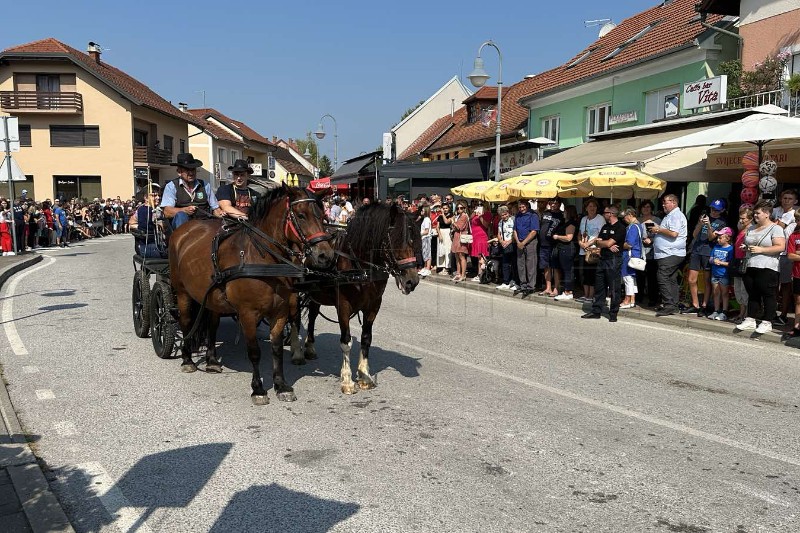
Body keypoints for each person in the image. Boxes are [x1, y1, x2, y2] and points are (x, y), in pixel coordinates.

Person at [736, 200, 785, 334]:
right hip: (750, 264)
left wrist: (761, 250)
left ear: (767, 214)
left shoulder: (776, 228)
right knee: (752, 293)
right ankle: (750, 319)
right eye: (755, 213)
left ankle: (767, 321)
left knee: (768, 294)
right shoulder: (751, 228)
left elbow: (780, 247)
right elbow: (751, 244)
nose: (755, 216)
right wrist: (746, 247)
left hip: (767, 266)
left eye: (758, 213)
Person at [582, 206, 625, 322]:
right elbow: (598, 241)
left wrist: (606, 244)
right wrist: (605, 244)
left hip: (614, 260)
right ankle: (596, 311)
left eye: (605, 213)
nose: (603, 215)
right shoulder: (605, 227)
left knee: (614, 287)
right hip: (602, 259)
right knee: (599, 286)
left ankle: (613, 313)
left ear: (610, 214)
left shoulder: (620, 227)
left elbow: (607, 243)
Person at [684, 198, 727, 316]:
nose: (713, 211)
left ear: (722, 210)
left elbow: (711, 237)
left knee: (707, 281)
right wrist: (700, 223)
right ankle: (695, 304)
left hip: (708, 251)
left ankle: (704, 305)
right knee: (691, 279)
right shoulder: (704, 216)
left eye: (717, 210)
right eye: (712, 209)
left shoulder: (722, 222)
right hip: (697, 250)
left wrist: (708, 226)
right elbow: (694, 234)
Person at [160, 153, 222, 229]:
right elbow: (167, 212)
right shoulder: (171, 186)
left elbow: (215, 208)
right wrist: (184, 210)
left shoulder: (205, 185)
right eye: (187, 170)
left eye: (193, 169)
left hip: (204, 225)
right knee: (181, 215)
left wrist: (222, 214)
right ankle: (183, 240)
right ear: (179, 172)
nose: (191, 173)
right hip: (181, 227)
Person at [650, 194, 688, 317]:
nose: (663, 205)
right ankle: (673, 305)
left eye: (665, 202)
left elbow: (674, 233)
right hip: (668, 253)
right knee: (671, 279)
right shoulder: (670, 215)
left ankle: (669, 304)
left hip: (671, 252)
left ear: (673, 202)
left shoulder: (676, 216)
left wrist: (658, 230)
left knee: (662, 276)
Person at [772, 189, 797, 326]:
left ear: (795, 201)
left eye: (790, 198)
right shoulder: (776, 210)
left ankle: (784, 314)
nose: (787, 200)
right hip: (774, 251)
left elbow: (778, 226)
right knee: (774, 284)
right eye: (785, 198)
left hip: (787, 253)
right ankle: (772, 312)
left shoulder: (795, 212)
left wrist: (777, 222)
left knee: (786, 285)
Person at [577, 199, 603, 303]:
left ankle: (591, 295)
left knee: (592, 273)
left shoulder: (600, 219)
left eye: (594, 206)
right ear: (586, 208)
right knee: (583, 273)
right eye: (590, 206)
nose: (592, 208)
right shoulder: (584, 219)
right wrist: (580, 243)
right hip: (583, 250)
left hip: (593, 250)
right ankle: (586, 293)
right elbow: (580, 232)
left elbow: (600, 235)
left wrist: (588, 243)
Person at [732, 207, 754, 324]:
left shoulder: (751, 230)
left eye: (743, 218)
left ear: (750, 219)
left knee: (745, 289)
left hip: (745, 261)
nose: (741, 220)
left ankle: (746, 314)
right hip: (737, 261)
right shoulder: (742, 229)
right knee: (738, 289)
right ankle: (741, 313)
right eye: (740, 218)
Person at [638, 200, 661, 307]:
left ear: (651, 208)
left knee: (652, 277)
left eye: (648, 207)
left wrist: (651, 240)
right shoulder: (637, 220)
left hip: (652, 252)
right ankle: (639, 297)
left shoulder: (657, 220)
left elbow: (661, 235)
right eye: (644, 207)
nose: (646, 209)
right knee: (640, 276)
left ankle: (653, 298)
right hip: (640, 251)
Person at [539, 198, 564, 296]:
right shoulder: (545, 213)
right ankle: (548, 288)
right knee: (546, 267)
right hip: (543, 244)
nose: (553, 205)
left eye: (555, 203)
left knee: (556, 267)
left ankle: (556, 288)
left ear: (559, 204)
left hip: (555, 244)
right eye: (551, 203)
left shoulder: (561, 215)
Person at [130, 192, 167, 258]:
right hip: (152, 247)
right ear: (146, 198)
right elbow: (131, 223)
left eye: (158, 195)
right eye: (154, 195)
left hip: (141, 247)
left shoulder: (140, 209)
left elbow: (131, 223)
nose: (158, 197)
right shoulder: (154, 211)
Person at [513, 199, 539, 294]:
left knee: (530, 265)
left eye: (523, 207)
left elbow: (534, 231)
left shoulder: (533, 215)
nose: (521, 209)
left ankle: (531, 286)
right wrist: (518, 242)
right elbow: (514, 230)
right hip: (519, 242)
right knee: (520, 265)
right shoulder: (518, 215)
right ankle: (522, 284)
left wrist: (523, 243)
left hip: (530, 242)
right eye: (520, 207)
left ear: (527, 206)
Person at [552, 204, 577, 300]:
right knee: (562, 269)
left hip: (567, 248)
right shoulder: (563, 222)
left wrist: (557, 237)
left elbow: (569, 237)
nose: (563, 213)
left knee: (568, 270)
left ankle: (568, 291)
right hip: (560, 248)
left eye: (565, 211)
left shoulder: (571, 223)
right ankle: (564, 289)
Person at [708, 227, 734, 321]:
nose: (718, 239)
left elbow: (731, 263)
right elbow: (711, 258)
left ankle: (724, 311)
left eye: (720, 237)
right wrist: (713, 261)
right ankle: (716, 310)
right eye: (718, 237)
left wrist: (721, 263)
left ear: (727, 238)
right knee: (716, 293)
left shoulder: (731, 249)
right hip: (715, 273)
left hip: (724, 274)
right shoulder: (716, 247)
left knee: (725, 293)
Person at [620, 207, 643, 309]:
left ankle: (627, 299)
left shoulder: (633, 227)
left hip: (629, 255)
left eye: (624, 216)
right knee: (632, 278)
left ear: (630, 215)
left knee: (627, 277)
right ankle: (632, 299)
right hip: (634, 255)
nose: (623, 219)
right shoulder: (638, 226)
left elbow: (629, 244)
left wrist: (619, 244)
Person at [784, 210, 800, 338]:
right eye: (798, 220)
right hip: (797, 273)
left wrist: (798, 254)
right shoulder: (794, 236)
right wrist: (796, 254)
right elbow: (790, 255)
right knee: (798, 301)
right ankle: (797, 327)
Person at [469, 202, 492, 281]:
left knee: (481, 256)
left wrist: (481, 216)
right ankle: (479, 274)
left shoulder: (487, 213)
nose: (479, 206)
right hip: (475, 236)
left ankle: (481, 275)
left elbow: (486, 225)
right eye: (479, 205)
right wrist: (474, 212)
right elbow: (470, 219)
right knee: (478, 256)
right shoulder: (476, 213)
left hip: (481, 236)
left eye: (481, 205)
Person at [496, 205, 517, 290]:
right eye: (502, 215)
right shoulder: (500, 222)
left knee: (514, 264)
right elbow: (499, 233)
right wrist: (501, 241)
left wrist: (509, 241)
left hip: (512, 244)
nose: (504, 216)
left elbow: (515, 232)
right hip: (504, 245)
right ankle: (506, 281)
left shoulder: (513, 220)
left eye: (505, 214)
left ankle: (515, 281)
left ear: (508, 213)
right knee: (505, 264)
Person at [450, 201, 471, 282]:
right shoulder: (458, 216)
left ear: (464, 208)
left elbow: (459, 227)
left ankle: (463, 275)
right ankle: (458, 273)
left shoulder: (464, 216)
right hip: (456, 236)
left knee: (461, 256)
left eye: (461, 208)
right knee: (457, 256)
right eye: (458, 208)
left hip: (461, 236)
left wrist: (453, 221)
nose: (459, 209)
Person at [436, 203, 453, 275]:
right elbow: (437, 226)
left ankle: (447, 267)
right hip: (441, 232)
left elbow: (446, 222)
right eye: (443, 208)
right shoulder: (439, 217)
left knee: (447, 249)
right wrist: (439, 234)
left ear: (448, 208)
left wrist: (443, 214)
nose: (445, 209)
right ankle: (442, 266)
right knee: (441, 250)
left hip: (448, 232)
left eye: (446, 208)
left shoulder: (451, 215)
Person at [419, 205, 432, 277]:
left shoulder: (427, 219)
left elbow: (426, 231)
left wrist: (419, 233)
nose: (421, 211)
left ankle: (428, 268)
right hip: (424, 238)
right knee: (424, 253)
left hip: (426, 237)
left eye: (423, 210)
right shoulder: (425, 219)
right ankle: (425, 267)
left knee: (427, 253)